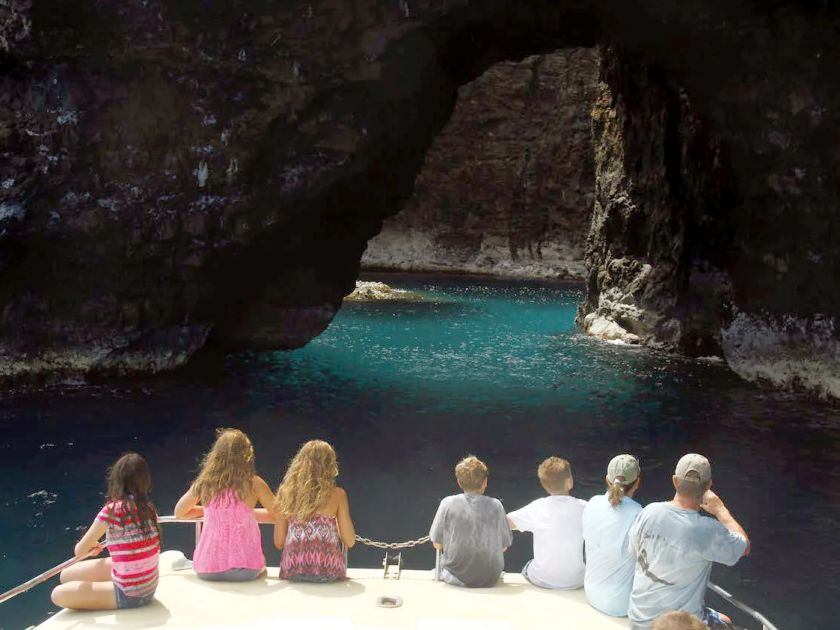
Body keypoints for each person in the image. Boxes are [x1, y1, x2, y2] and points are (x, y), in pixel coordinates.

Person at [628, 453, 750, 629]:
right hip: (680, 625)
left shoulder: (649, 512)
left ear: (675, 481)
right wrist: (721, 511)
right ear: (708, 486)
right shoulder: (706, 530)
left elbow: (634, 550)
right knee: (727, 623)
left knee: (723, 619)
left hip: (639, 620)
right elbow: (744, 547)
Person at [51, 453, 160, 610]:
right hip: (149, 588)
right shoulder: (149, 509)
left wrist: (91, 547)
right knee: (66, 575)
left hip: (129, 595)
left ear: (116, 480)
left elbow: (80, 552)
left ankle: (115, 591)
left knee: (58, 594)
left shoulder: (111, 511)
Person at [174, 428, 275, 581]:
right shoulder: (254, 483)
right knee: (263, 565)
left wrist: (210, 511)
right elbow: (279, 514)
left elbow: (179, 512)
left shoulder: (204, 483)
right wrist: (244, 514)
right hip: (245, 570)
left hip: (206, 569)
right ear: (247, 455)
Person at [273, 440, 355, 581]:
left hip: (293, 569)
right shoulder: (338, 495)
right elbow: (350, 541)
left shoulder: (285, 493)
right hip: (328, 570)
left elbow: (279, 542)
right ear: (330, 466)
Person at [429, 455, 512, 588]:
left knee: (436, 571)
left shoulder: (447, 503)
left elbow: (437, 545)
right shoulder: (496, 505)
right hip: (490, 578)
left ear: (459, 482)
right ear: (485, 482)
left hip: (455, 577)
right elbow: (503, 547)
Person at [507, 456, 586, 589]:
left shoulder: (537, 507)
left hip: (541, 581)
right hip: (576, 581)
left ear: (544, 486)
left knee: (528, 565)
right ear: (570, 482)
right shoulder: (584, 507)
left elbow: (504, 522)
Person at [582, 453, 643, 615]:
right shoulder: (639, 514)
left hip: (592, 594)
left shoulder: (592, 503)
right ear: (637, 482)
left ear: (608, 480)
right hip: (621, 606)